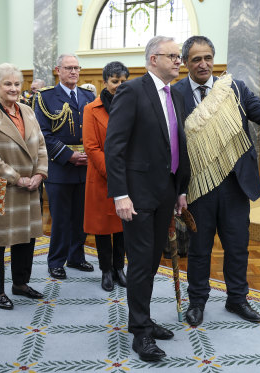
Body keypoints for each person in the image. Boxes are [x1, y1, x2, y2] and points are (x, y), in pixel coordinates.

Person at [173, 35, 260, 327]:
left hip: (235, 184)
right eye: (196, 59)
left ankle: (237, 299)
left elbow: (259, 111)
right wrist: (175, 188)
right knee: (199, 248)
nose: (203, 64)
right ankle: (197, 302)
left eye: (208, 57)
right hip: (199, 185)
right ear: (185, 63)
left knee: (237, 245)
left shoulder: (233, 88)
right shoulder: (175, 94)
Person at [105, 36, 190, 362]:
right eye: (172, 56)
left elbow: (177, 146)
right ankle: (141, 333)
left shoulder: (176, 95)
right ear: (153, 59)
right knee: (140, 264)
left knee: (152, 262)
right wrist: (121, 194)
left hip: (165, 192)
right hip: (136, 195)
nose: (178, 61)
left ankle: (142, 318)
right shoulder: (132, 90)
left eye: (178, 56)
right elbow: (115, 146)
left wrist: (180, 190)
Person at [0, 63, 48, 309]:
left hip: (31, 186)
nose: (13, 88)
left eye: (17, 84)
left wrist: (40, 174)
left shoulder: (28, 110)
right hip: (3, 187)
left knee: (25, 238)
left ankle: (20, 283)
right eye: (7, 84)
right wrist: (17, 178)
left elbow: (41, 145)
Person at [34, 54, 95, 279]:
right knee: (60, 217)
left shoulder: (88, 96)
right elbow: (43, 133)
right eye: (69, 68)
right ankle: (56, 261)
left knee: (81, 215)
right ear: (57, 70)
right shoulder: (46, 97)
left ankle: (76, 257)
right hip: (60, 165)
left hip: (85, 165)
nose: (74, 72)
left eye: (77, 68)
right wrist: (68, 155)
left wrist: (88, 153)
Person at [83, 61, 129, 292]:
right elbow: (91, 147)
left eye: (123, 81)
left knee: (123, 225)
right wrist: (113, 172)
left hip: (127, 177)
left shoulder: (132, 106)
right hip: (102, 177)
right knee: (103, 228)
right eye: (114, 81)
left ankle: (120, 268)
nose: (119, 86)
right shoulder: (91, 109)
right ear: (105, 81)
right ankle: (106, 271)